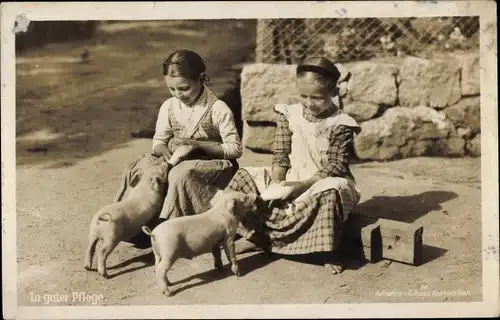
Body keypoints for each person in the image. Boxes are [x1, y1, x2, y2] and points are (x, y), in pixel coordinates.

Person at [224, 56, 361, 274]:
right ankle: (257, 236)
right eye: (303, 95)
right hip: (291, 176)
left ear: (334, 93)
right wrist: (278, 183)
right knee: (245, 177)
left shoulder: (340, 123)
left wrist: (301, 186)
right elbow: (281, 153)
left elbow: (336, 165)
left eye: (317, 98)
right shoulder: (289, 114)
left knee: (331, 193)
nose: (308, 102)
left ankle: (326, 250)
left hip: (321, 181)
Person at [116, 49, 242, 245]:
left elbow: (235, 149)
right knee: (144, 167)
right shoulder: (169, 106)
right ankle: (135, 219)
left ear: (201, 79)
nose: (178, 94)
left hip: (212, 164)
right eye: (172, 89)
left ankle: (169, 227)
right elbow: (159, 141)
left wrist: (199, 145)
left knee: (179, 174)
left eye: (184, 88)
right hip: (176, 157)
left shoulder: (218, 109)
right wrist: (164, 154)